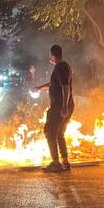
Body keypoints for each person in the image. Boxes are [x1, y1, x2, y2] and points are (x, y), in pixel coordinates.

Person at [34, 44, 74, 172]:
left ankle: (56, 163)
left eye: (49, 55)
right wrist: (41, 87)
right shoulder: (64, 66)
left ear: (52, 55)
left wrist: (64, 106)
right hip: (65, 106)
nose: (49, 57)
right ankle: (65, 162)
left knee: (50, 133)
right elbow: (54, 84)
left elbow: (65, 86)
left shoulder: (59, 67)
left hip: (59, 107)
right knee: (60, 134)